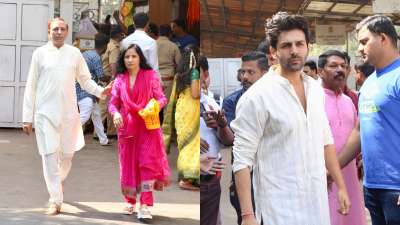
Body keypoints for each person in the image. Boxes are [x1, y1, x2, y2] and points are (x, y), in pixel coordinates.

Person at [232, 12, 350, 225]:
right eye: (286, 45)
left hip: (317, 203)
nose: (294, 51)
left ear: (308, 47)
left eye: (299, 44)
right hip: (279, 209)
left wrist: (341, 186)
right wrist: (247, 216)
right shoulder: (257, 97)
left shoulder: (315, 90)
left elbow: (326, 142)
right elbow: (241, 161)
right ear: (273, 52)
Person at [22, 18, 113, 215]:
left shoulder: (74, 54)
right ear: (49, 31)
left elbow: (85, 80)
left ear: (67, 32)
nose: (59, 32)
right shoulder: (39, 54)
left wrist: (100, 92)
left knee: (66, 156)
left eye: (62, 29)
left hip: (69, 114)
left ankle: (57, 181)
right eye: (55, 29)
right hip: (44, 114)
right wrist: (27, 117)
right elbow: (31, 85)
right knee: (48, 156)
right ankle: (55, 199)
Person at [338, 15, 400, 225]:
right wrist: (334, 168)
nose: (360, 49)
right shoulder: (370, 82)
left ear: (383, 38)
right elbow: (359, 130)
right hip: (373, 186)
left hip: (396, 188)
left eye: (364, 42)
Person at [108, 44, 170, 222]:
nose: (130, 60)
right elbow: (113, 103)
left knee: (146, 165)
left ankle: (145, 204)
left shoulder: (150, 76)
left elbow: (162, 98)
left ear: (140, 58)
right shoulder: (120, 79)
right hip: (127, 129)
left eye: (134, 56)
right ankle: (130, 200)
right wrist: (116, 113)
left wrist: (155, 106)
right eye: (127, 57)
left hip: (147, 128)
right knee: (129, 165)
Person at [215, 51, 268, 225]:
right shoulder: (232, 101)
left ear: (265, 74)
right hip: (246, 175)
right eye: (242, 72)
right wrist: (222, 125)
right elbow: (229, 140)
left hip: (273, 176)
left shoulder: (277, 100)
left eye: (250, 72)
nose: (244, 77)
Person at [319, 50, 366, 225]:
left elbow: (357, 134)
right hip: (322, 177)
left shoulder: (348, 101)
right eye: (333, 66)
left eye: (343, 66)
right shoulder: (312, 100)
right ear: (320, 71)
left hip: (349, 175)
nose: (340, 70)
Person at [162, 44, 200, 190]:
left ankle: (189, 176)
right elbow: (195, 94)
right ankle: (187, 179)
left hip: (181, 109)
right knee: (192, 144)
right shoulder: (194, 73)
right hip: (191, 109)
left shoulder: (179, 74)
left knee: (184, 144)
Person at [200, 56, 226, 224]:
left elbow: (228, 141)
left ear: (205, 74)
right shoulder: (177, 104)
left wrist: (221, 126)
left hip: (212, 181)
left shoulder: (212, 103)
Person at [77, 33, 110, 146]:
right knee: (85, 115)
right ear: (105, 46)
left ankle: (103, 139)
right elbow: (101, 76)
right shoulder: (96, 58)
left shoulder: (86, 53)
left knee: (96, 115)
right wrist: (112, 78)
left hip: (82, 87)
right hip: (85, 89)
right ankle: (65, 134)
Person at [99, 25, 125, 138]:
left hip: (106, 78)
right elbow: (113, 64)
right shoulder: (114, 47)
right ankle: (99, 132)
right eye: (122, 35)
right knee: (105, 107)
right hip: (109, 79)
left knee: (108, 105)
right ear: (119, 35)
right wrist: (114, 80)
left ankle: (110, 131)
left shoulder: (109, 45)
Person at [157, 24, 181, 101]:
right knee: (167, 106)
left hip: (154, 78)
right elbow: (179, 64)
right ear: (170, 34)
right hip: (168, 79)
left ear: (159, 33)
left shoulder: (152, 44)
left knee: (153, 106)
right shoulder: (173, 46)